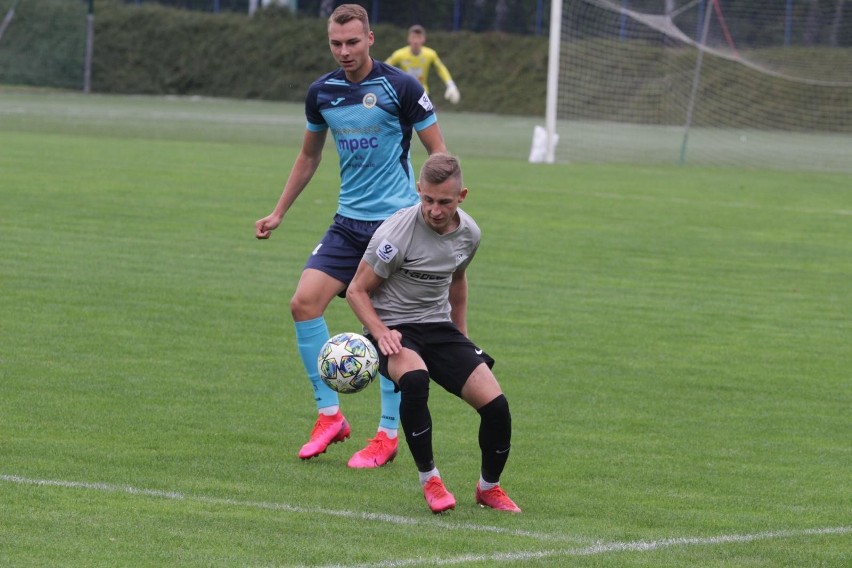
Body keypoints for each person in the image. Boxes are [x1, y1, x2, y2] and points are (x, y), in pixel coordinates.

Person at [255, 4, 447, 468]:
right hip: (347, 222)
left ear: (371, 39)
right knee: (303, 303)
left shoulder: (401, 87)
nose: (344, 51)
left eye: (352, 42)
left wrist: (435, 214)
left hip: (395, 227)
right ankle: (330, 416)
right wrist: (280, 211)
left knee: (384, 329)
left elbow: (439, 154)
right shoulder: (322, 93)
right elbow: (309, 157)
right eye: (336, 43)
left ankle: (386, 434)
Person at [346, 153, 520, 514]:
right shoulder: (394, 236)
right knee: (415, 380)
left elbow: (457, 279)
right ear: (419, 190)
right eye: (427, 200)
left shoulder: (469, 234)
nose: (435, 210)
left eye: (444, 202)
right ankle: (431, 480)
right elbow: (356, 290)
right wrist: (380, 333)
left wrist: (463, 336)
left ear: (462, 196)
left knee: (497, 407)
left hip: (438, 327)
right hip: (394, 328)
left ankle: (489, 488)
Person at [386, 25, 460, 105]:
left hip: (422, 93)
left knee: (430, 116)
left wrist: (450, 84)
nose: (416, 41)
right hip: (404, 94)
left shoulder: (430, 54)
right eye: (413, 37)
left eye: (419, 37)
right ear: (409, 39)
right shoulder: (399, 54)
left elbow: (440, 68)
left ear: (423, 39)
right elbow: (384, 67)